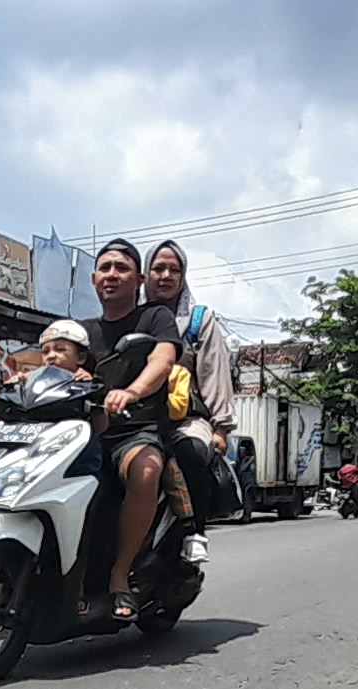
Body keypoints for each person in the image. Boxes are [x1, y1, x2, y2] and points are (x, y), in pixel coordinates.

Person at [82, 240, 180, 619]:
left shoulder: (154, 319)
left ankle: (120, 577)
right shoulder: (80, 330)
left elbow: (162, 360)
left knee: (147, 469)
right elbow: (45, 362)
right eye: (104, 268)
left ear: (139, 279)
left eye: (121, 269)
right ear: (93, 279)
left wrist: (133, 390)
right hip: (86, 434)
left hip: (134, 432)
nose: (111, 275)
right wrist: (2, 389)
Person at [145, 240, 233, 523]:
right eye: (159, 268)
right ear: (145, 274)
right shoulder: (132, 318)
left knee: (191, 453)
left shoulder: (199, 320)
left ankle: (193, 532)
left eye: (174, 269)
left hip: (186, 418)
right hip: (137, 418)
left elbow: (214, 373)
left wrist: (221, 429)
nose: (166, 276)